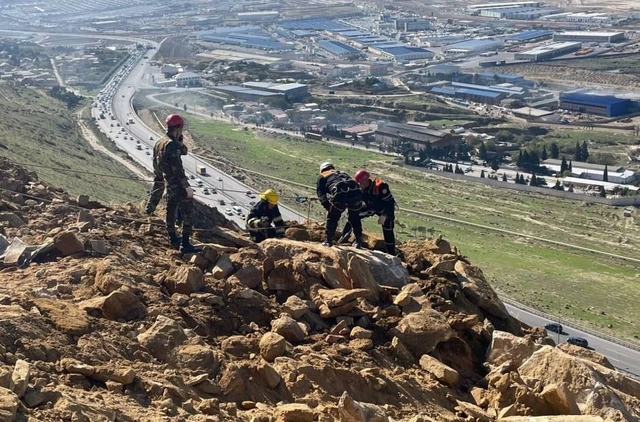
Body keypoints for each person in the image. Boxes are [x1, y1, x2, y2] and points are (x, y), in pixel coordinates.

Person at [146, 114, 200, 253]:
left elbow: (183, 152)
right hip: (176, 183)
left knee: (171, 209)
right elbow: (177, 168)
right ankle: (185, 244)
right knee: (188, 212)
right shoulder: (171, 144)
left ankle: (172, 237)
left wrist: (180, 143)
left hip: (168, 182)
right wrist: (186, 186)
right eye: (181, 128)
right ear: (177, 127)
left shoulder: (161, 142)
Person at [316, 161, 365, 248]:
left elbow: (321, 195)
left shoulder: (322, 176)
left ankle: (328, 241)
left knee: (333, 218)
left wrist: (329, 207)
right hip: (355, 193)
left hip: (340, 193)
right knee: (355, 217)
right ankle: (358, 241)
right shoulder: (342, 172)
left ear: (322, 170)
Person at [354, 169, 397, 254]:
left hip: (385, 210)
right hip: (371, 207)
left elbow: (390, 203)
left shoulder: (381, 186)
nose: (360, 185)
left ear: (365, 181)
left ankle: (391, 253)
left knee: (388, 229)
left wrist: (385, 215)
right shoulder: (362, 189)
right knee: (354, 215)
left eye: (361, 182)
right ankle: (357, 240)